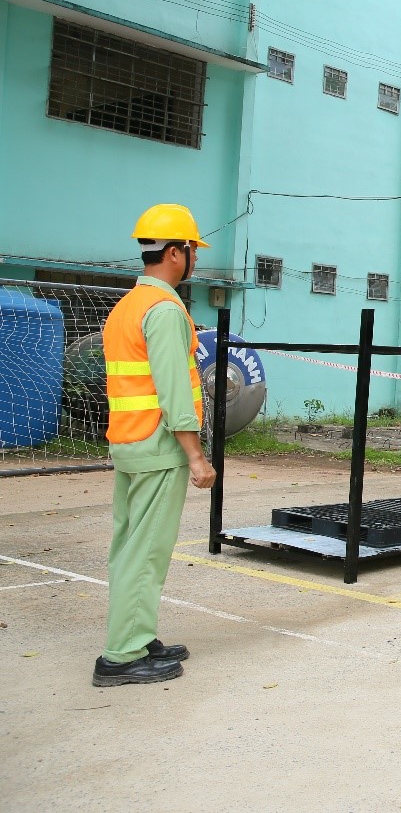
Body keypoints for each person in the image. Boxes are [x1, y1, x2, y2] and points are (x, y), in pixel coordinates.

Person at [93, 204, 217, 686]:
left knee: (129, 547)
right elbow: (173, 390)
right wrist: (196, 455)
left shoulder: (128, 305)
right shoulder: (165, 310)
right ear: (175, 253)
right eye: (191, 251)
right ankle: (121, 656)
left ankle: (135, 635)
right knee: (145, 552)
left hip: (129, 440)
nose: (194, 260)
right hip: (157, 444)